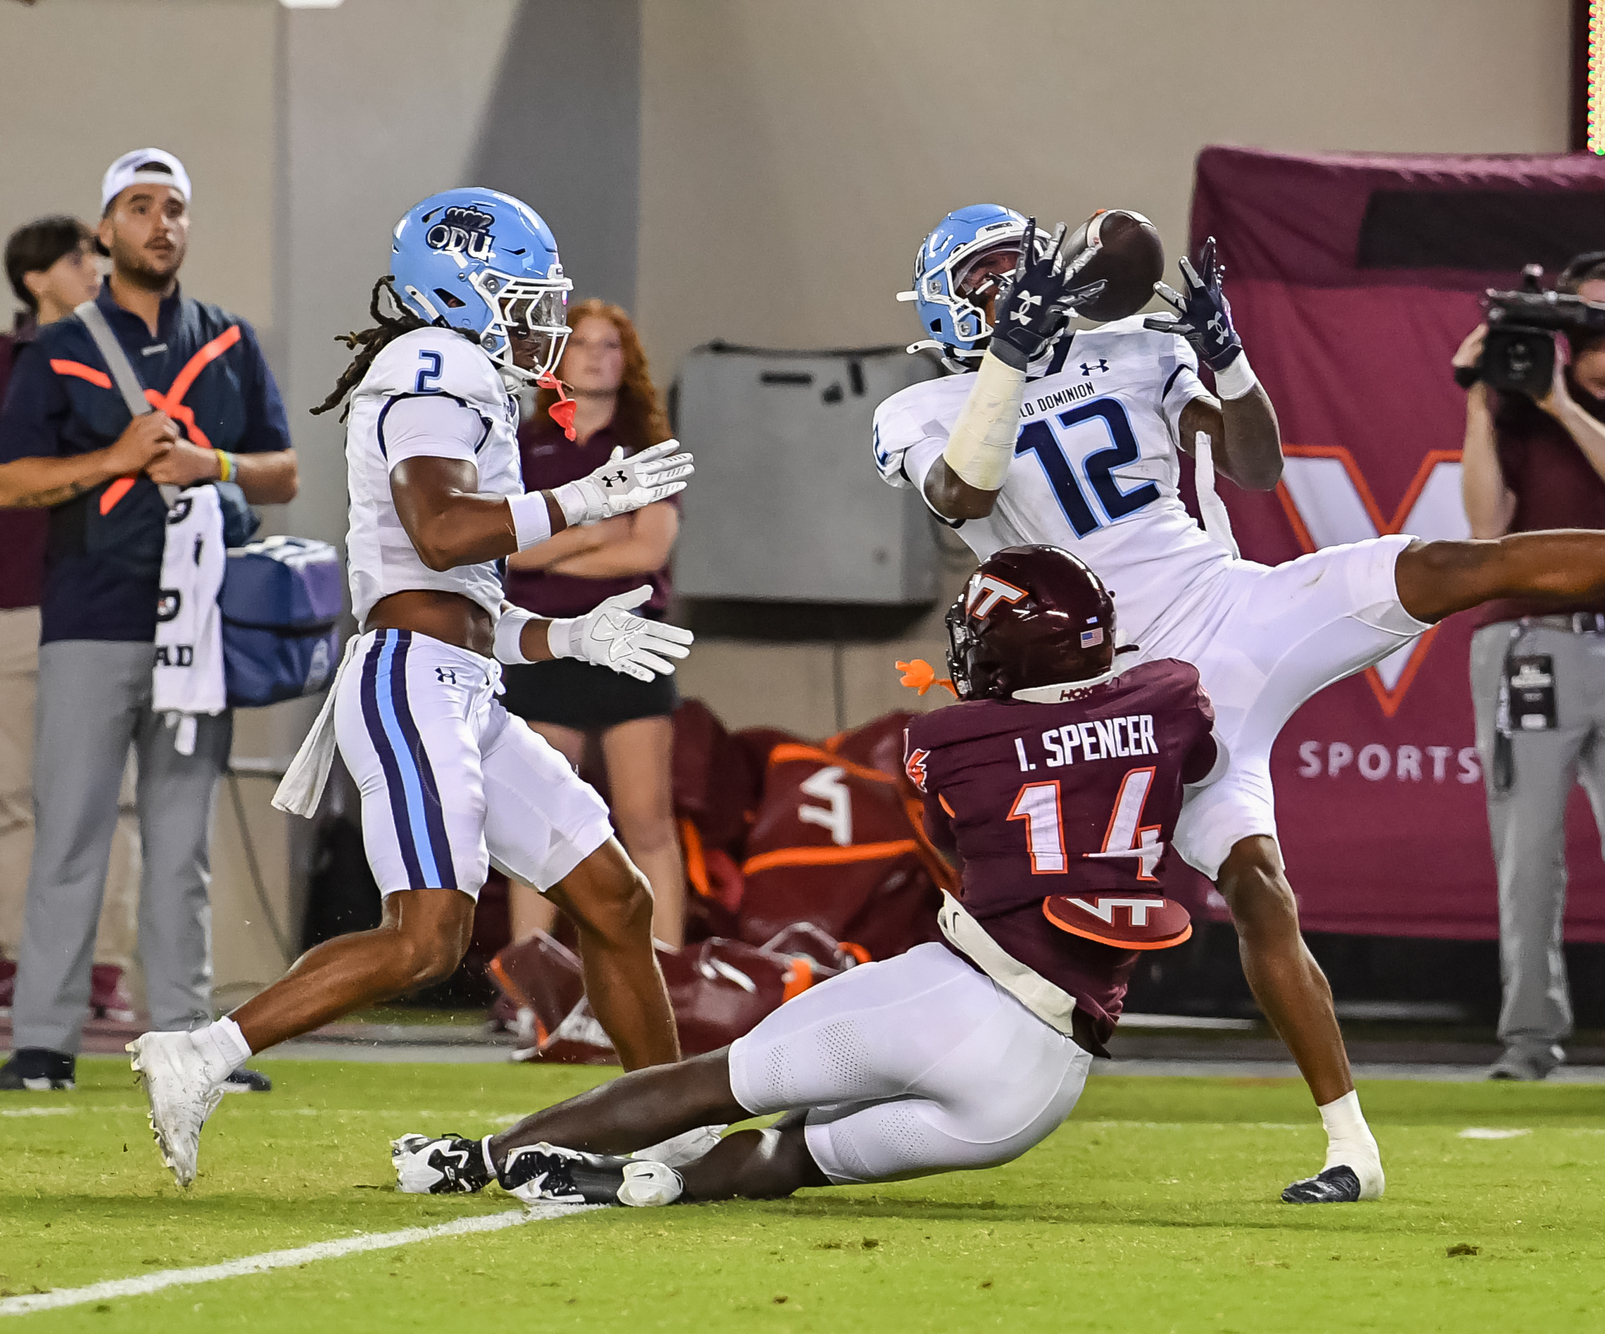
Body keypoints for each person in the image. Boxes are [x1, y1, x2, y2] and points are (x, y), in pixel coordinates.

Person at [870, 205, 1605, 1202]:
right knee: (1258, 888)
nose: (1008, 286)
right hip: (1121, 686)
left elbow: (1256, 464)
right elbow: (964, 493)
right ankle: (1352, 1148)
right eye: (984, 276)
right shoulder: (919, 409)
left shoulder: (1133, 350)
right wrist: (1010, 354)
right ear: (944, 304)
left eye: (1016, 265)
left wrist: (1228, 360)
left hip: (1231, 606)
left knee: (1449, 565)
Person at [125, 187, 697, 1188]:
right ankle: (203, 1052)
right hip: (409, 682)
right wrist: (579, 499)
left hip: (457, 680)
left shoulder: (466, 376)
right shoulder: (435, 362)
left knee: (614, 897)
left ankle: (672, 1127)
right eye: (518, 294)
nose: (538, 318)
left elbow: (460, 603)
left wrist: (571, 634)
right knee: (428, 939)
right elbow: (439, 532)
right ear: (460, 289)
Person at [389, 545, 1219, 1207]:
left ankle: (478, 1158)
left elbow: (954, 841)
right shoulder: (1172, 699)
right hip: (1037, 1091)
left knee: (713, 1084)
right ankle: (636, 1184)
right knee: (796, 1158)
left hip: (961, 998)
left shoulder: (954, 739)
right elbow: (1185, 754)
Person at [0, 152, 297, 1092]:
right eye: (139, 207)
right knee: (70, 833)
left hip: (200, 626)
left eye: (174, 208)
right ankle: (42, 1043)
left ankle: (188, 1041)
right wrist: (116, 458)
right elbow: (11, 480)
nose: (160, 223)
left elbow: (284, 471)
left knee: (182, 842)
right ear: (106, 230)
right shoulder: (57, 349)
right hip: (91, 615)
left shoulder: (230, 339)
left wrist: (212, 464)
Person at [1453, 252, 1605, 1085]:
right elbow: (1485, 530)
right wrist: (1479, 400)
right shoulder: (1515, 412)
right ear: (1564, 326)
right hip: (1528, 642)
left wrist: (1558, 404)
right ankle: (1528, 1038)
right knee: (1526, 852)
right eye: (1599, 315)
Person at [501, 299, 687, 948]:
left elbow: (645, 552)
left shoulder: (648, 451)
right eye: (582, 344)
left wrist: (556, 545)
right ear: (558, 357)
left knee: (645, 819)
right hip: (542, 642)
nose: (596, 357)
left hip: (629, 642)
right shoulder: (521, 445)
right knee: (541, 824)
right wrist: (591, 532)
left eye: (611, 346)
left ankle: (668, 971)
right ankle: (527, 980)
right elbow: (506, 550)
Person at [0, 215, 146, 1027]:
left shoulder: (126, 361)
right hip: (19, 601)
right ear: (32, 278)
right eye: (74, 257)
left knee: (107, 797)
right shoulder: (8, 364)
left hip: (106, 601)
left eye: (95, 254)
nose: (92, 266)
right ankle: (17, 963)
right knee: (15, 796)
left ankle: (100, 970)